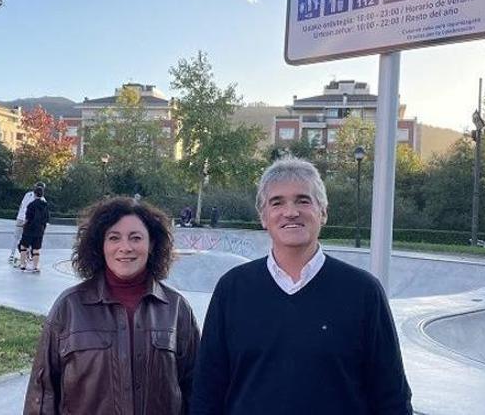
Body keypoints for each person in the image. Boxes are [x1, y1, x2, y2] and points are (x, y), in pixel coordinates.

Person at [190, 157, 413, 414]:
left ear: (323, 212)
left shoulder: (363, 292)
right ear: (264, 217)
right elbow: (207, 391)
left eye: (303, 200)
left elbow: (391, 395)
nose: (291, 211)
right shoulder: (232, 289)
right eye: (277, 203)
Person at [24, 197, 199, 414]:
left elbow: (196, 390)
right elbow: (42, 392)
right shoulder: (69, 308)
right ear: (101, 244)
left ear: (151, 244)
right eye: (114, 238)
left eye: (136, 238)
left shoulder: (176, 309)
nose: (125, 247)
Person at [10, 182, 46, 265]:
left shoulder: (42, 200)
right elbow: (22, 205)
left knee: (27, 239)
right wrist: (19, 216)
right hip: (22, 218)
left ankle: (25, 257)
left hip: (29, 221)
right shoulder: (28, 195)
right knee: (17, 237)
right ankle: (12, 255)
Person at [18, 184, 49, 273]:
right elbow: (46, 219)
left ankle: (23, 265)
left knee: (23, 246)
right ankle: (35, 267)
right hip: (40, 230)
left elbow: (27, 218)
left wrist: (23, 224)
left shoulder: (31, 205)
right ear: (42, 195)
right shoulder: (45, 205)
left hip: (29, 229)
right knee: (36, 249)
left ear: (35, 194)